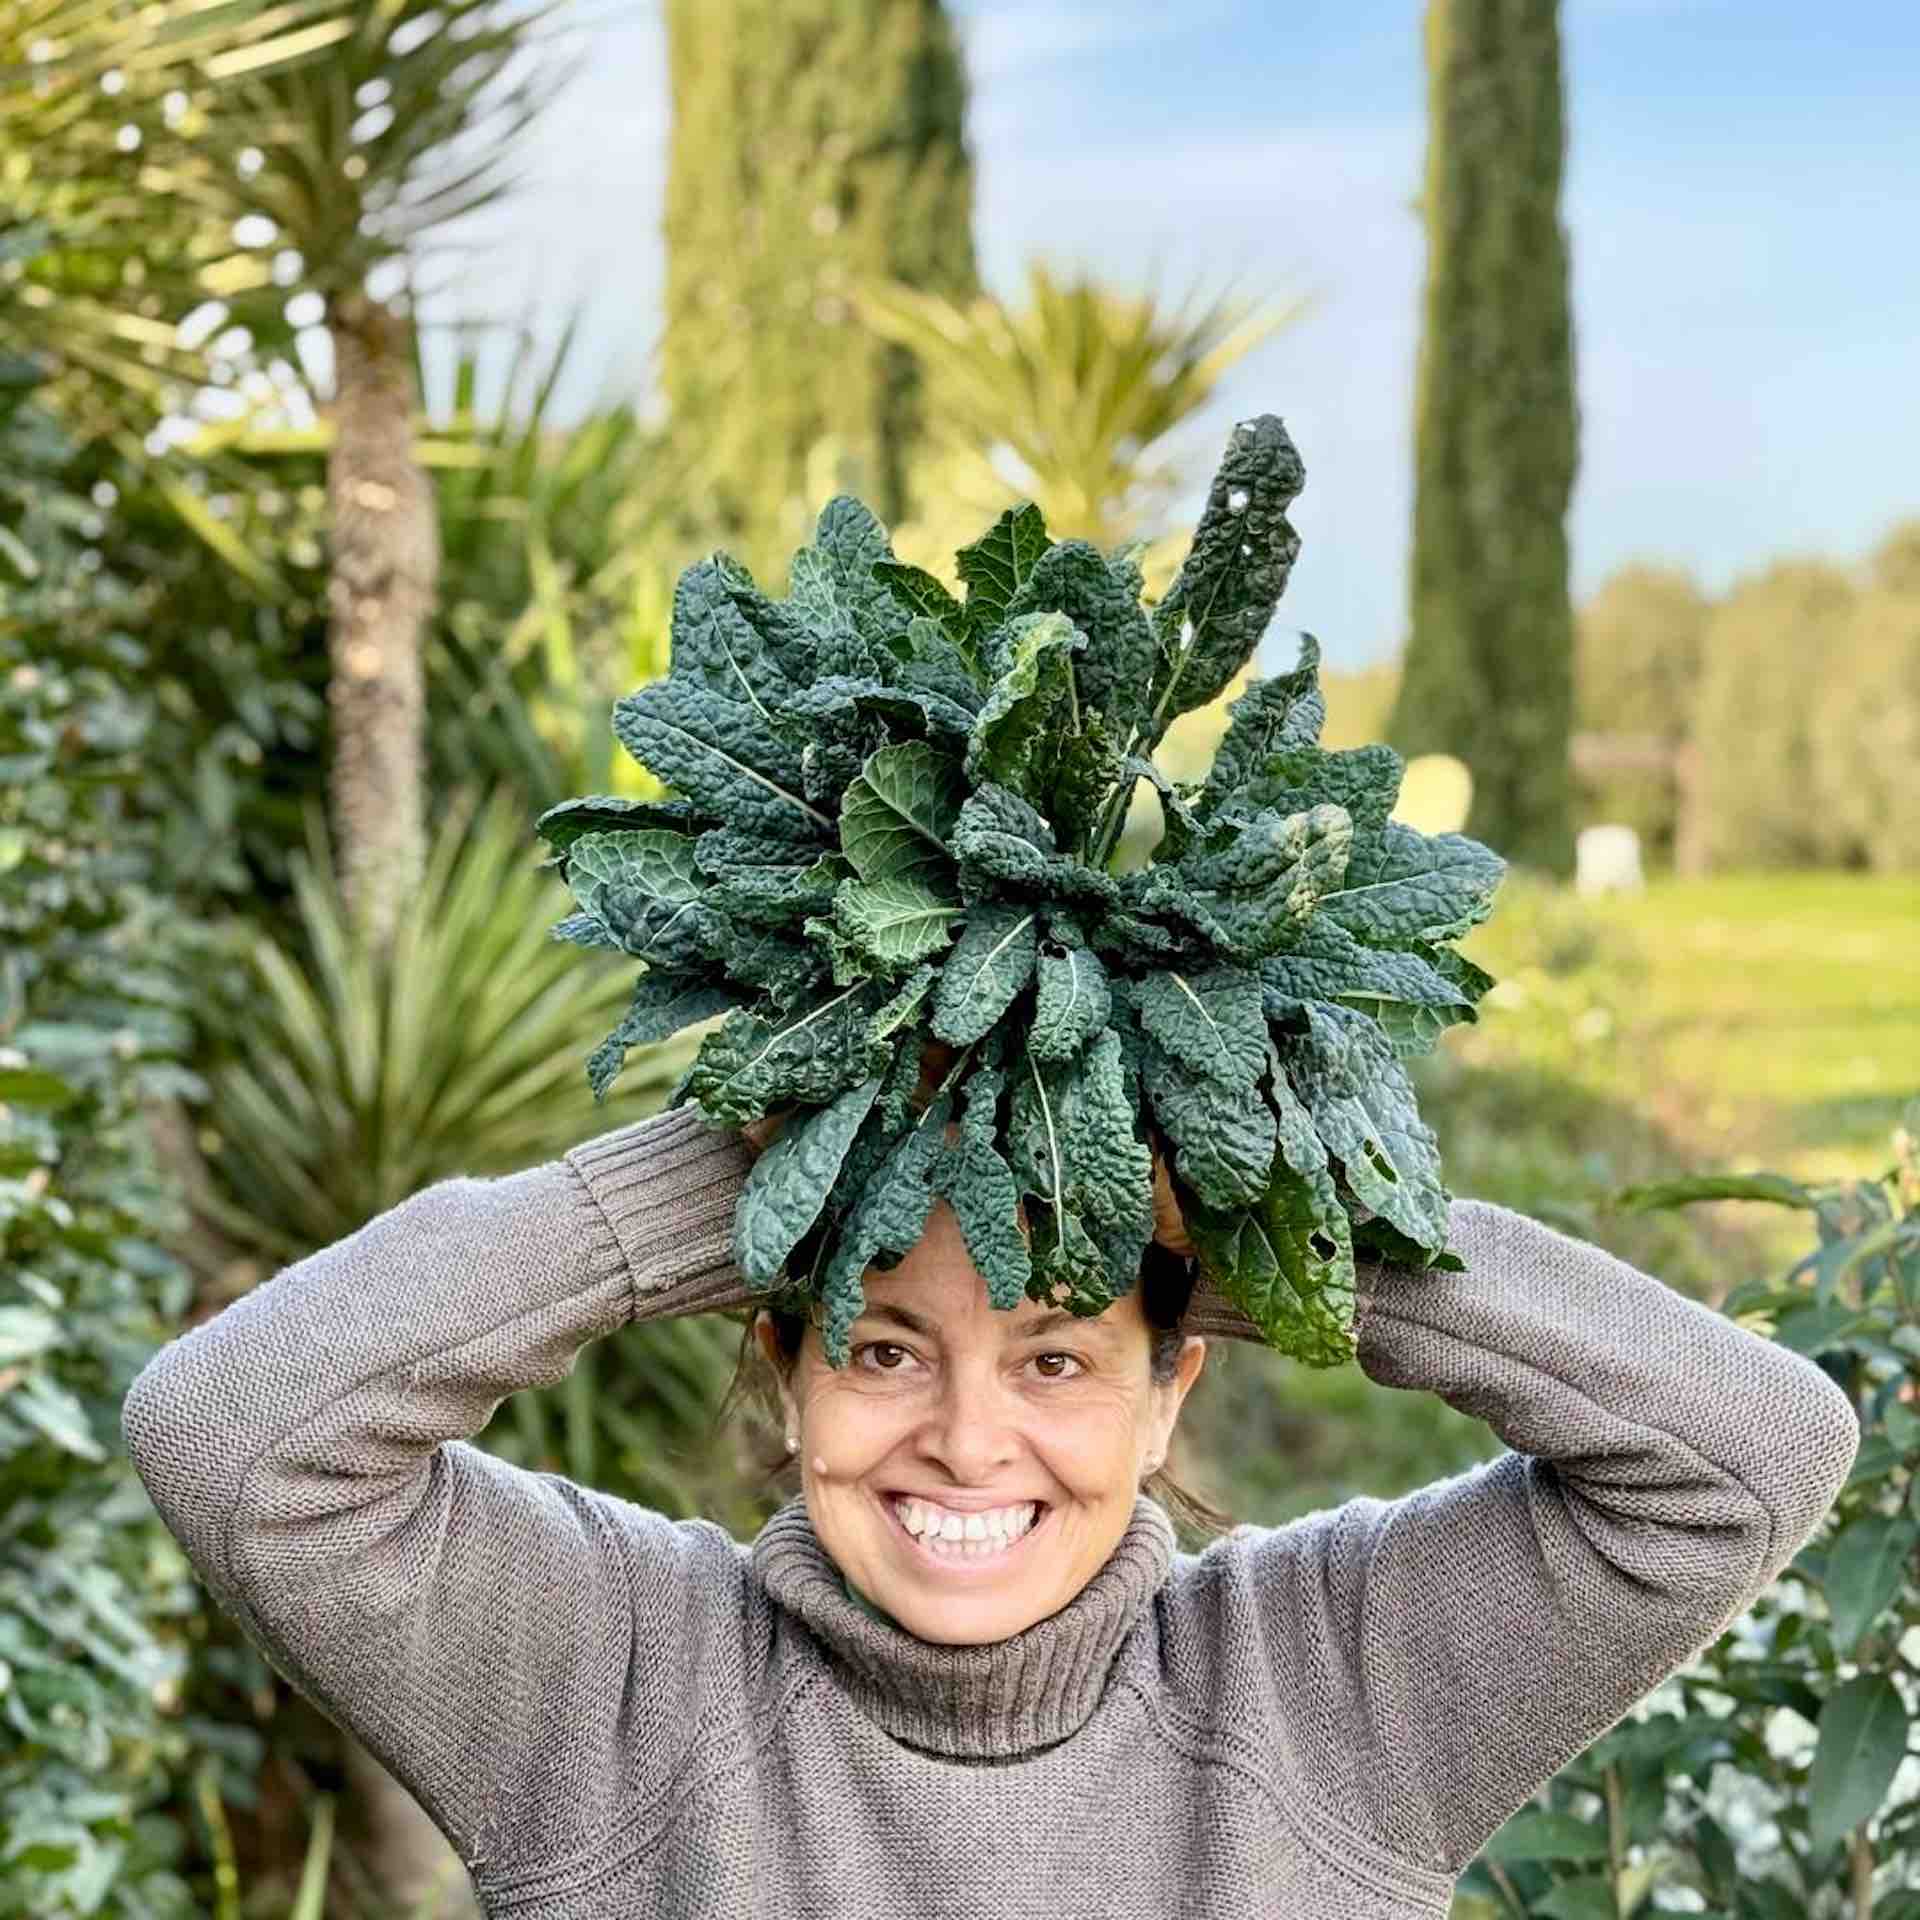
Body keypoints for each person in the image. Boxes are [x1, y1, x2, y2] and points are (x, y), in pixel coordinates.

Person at [122, 1095, 1859, 1917]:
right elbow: (233, 1432)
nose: (965, 1444)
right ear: (785, 1364)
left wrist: (1270, 1219)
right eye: (882, 1348)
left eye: (1053, 1362)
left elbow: (1746, 1454)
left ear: (1174, 1380)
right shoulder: (614, 1686)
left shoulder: (1330, 1693)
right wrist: (737, 1177)